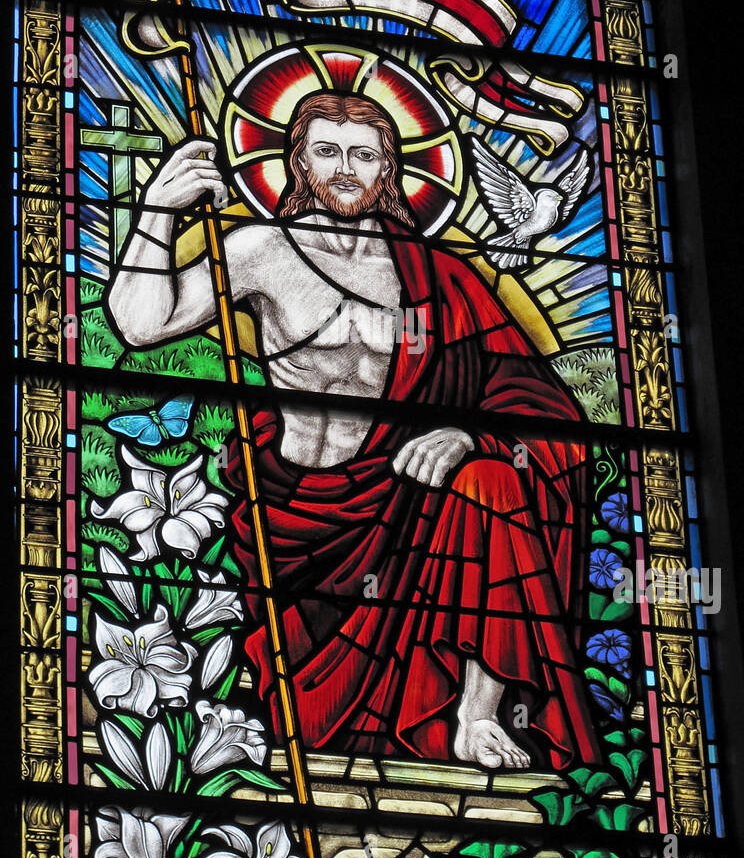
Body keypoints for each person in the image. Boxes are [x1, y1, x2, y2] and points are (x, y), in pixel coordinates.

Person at [106, 91, 601, 771]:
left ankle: (476, 712)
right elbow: (138, 324)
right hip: (299, 518)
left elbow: (536, 403)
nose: (346, 168)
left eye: (364, 154)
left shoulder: (439, 276)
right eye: (328, 151)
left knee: (491, 479)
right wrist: (159, 210)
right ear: (297, 161)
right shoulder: (260, 250)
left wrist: (469, 436)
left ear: (389, 170)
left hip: (406, 507)